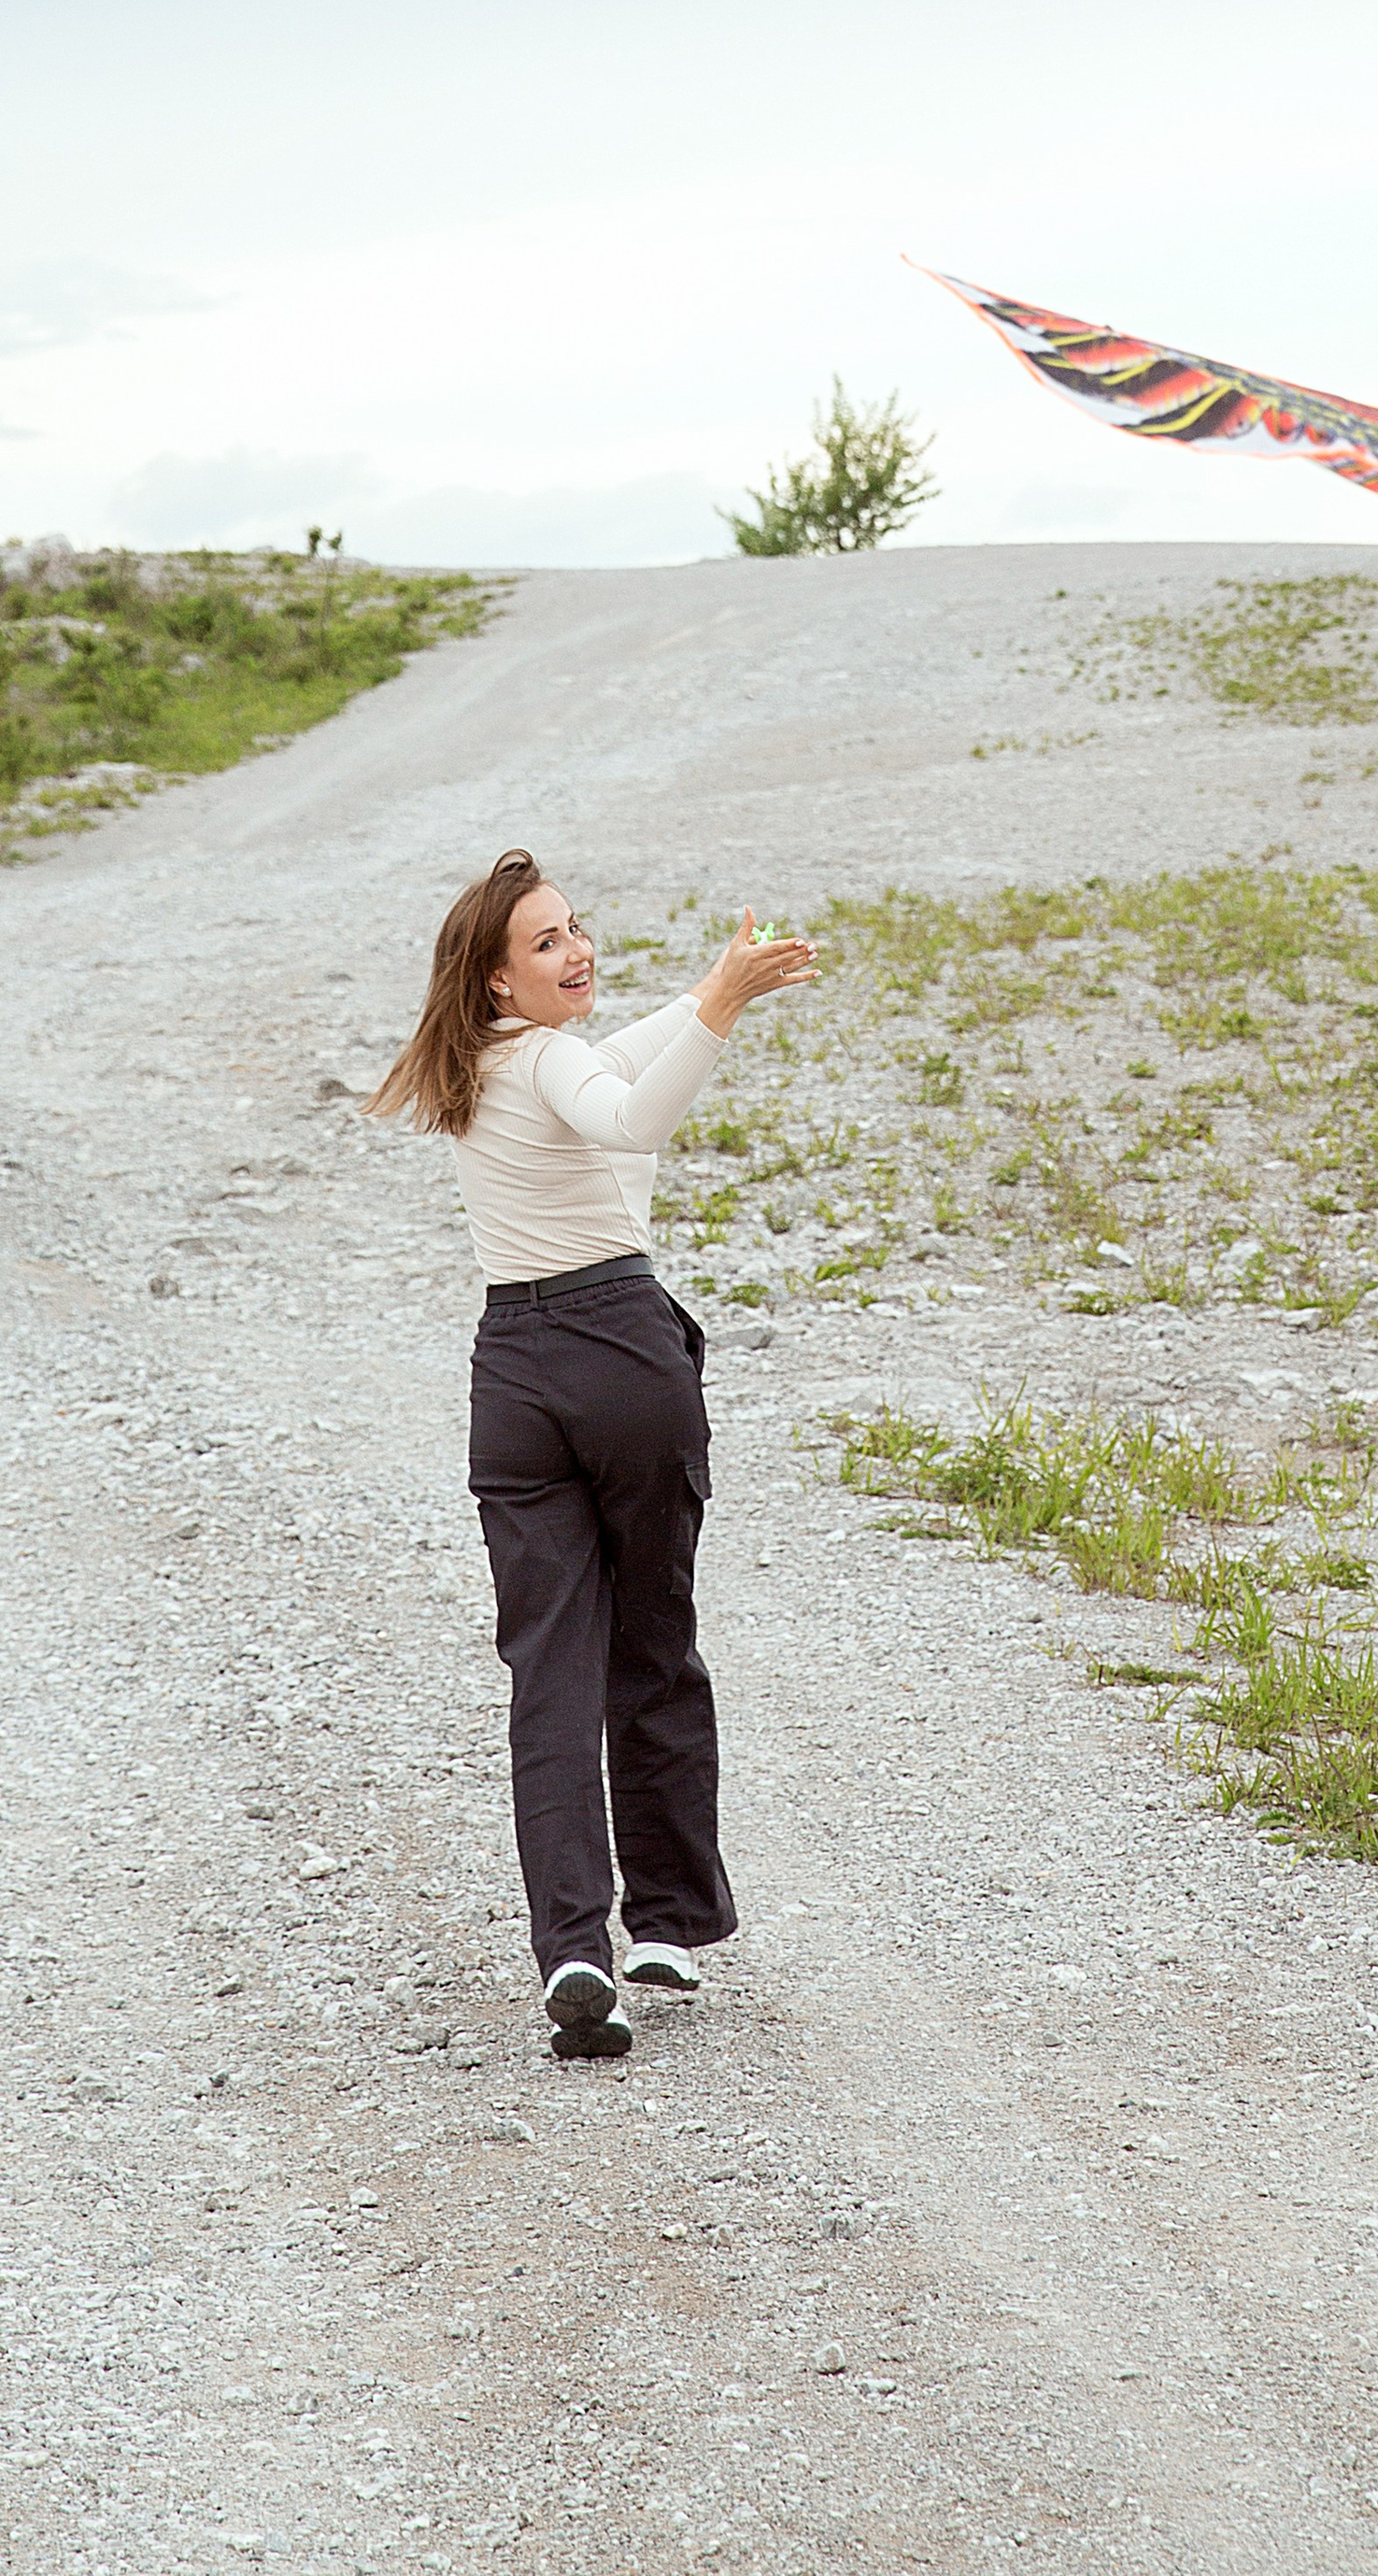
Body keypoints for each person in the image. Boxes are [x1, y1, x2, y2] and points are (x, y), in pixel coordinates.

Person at [371, 851, 814, 2059]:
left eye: (577, 929)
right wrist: (721, 1003)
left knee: (549, 1670)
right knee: (654, 1640)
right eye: (549, 943)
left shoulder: (484, 1064)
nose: (578, 952)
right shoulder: (557, 1059)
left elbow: (613, 1060)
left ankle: (578, 1949)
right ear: (501, 981)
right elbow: (628, 1107)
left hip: (510, 1372)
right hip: (618, 1350)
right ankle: (666, 1920)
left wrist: (715, 990)